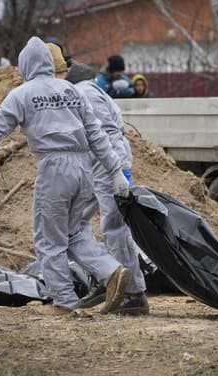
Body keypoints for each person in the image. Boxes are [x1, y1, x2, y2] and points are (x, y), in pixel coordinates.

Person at [0, 36, 132, 315]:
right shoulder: (72, 90)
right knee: (74, 233)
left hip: (54, 167)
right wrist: (115, 171)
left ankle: (64, 302)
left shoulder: (22, 94)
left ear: (25, 65)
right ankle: (112, 270)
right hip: (84, 168)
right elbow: (96, 133)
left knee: (49, 240)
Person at [67, 59, 149, 315]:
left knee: (114, 228)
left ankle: (132, 294)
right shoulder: (93, 90)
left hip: (107, 162)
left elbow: (104, 133)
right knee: (78, 222)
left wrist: (117, 171)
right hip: (102, 163)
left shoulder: (84, 93)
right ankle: (107, 278)